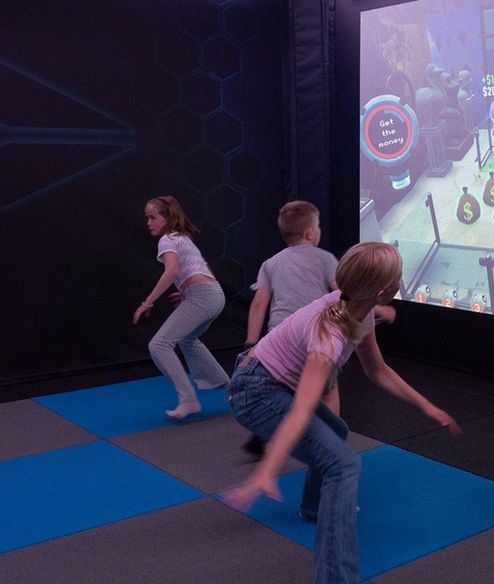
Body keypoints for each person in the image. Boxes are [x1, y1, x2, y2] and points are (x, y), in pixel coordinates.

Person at [223, 242, 461, 584]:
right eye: (398, 277)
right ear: (382, 292)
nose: (401, 280)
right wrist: (268, 468)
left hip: (270, 384)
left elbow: (377, 371)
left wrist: (427, 407)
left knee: (336, 431)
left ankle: (313, 507)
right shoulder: (329, 334)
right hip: (254, 392)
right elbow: (303, 407)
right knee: (344, 463)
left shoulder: (358, 310)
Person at [242, 201, 396, 454]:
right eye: (318, 226)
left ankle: (263, 432)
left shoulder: (270, 262)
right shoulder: (324, 258)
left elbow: (260, 302)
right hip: (316, 334)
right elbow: (347, 292)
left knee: (281, 386)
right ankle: (330, 442)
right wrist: (378, 306)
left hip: (279, 337)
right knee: (327, 390)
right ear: (310, 233)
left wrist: (251, 342)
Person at [133, 196, 230, 419]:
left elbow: (172, 272)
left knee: (159, 345)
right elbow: (202, 270)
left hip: (203, 296)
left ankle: (188, 401)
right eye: (147, 218)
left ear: (167, 218)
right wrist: (187, 291)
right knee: (188, 340)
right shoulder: (182, 237)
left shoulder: (167, 240)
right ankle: (230, 388)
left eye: (153, 217)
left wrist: (147, 302)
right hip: (215, 295)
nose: (148, 222)